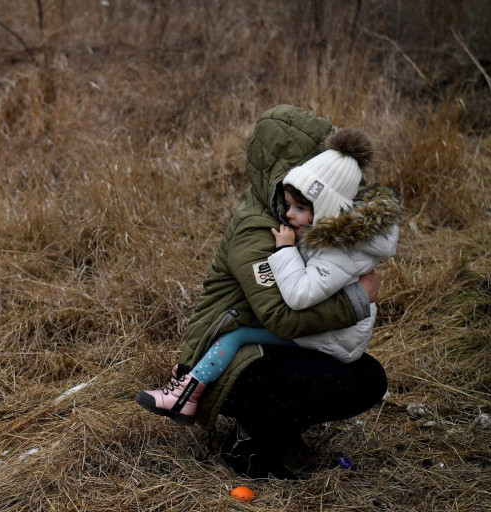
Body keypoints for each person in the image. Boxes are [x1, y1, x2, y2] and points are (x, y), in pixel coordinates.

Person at [135, 105, 392, 478]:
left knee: (367, 377)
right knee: (337, 381)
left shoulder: (298, 217)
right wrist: (357, 300)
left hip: (265, 346)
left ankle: (279, 431)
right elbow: (282, 317)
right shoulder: (259, 232)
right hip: (223, 359)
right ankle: (248, 442)